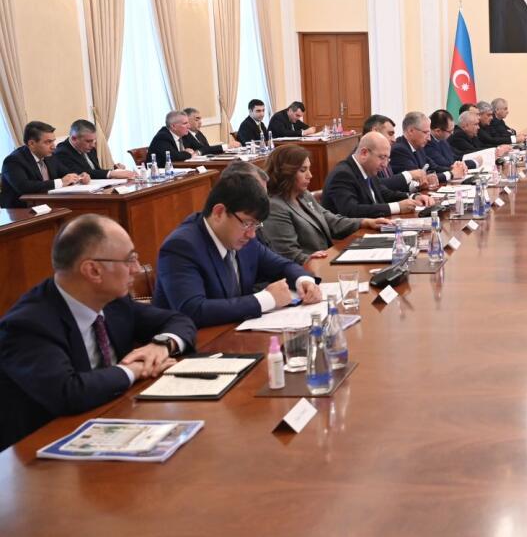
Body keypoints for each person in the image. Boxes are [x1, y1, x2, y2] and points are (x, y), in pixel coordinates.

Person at [0, 215, 196, 450]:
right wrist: (133, 370)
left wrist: (161, 345)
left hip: (116, 418)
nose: (137, 269)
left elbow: (178, 320)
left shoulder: (113, 301)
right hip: (48, 449)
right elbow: (68, 392)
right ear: (93, 270)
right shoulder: (28, 325)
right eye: (129, 259)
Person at [153, 173, 322, 328]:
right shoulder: (181, 247)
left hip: (233, 333)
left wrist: (304, 281)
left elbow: (282, 266)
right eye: (247, 223)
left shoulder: (244, 239)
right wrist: (267, 299)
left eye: (256, 225)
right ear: (219, 212)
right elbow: (193, 310)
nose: (252, 234)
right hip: (192, 344)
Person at [261, 145, 391, 265]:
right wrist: (310, 259)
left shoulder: (303, 195)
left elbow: (331, 221)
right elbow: (289, 256)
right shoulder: (275, 207)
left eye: (309, 169)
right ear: (285, 172)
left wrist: (365, 222)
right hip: (308, 272)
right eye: (303, 170)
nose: (310, 175)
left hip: (326, 260)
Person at [322, 132, 432, 218]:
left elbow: (385, 194)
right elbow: (351, 211)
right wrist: (397, 207)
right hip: (349, 237)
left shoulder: (368, 169)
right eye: (382, 157)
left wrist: (414, 197)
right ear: (364, 153)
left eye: (387, 159)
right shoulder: (342, 174)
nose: (385, 165)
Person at [1, 121, 89, 207]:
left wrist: (79, 177)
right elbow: (24, 187)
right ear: (32, 143)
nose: (53, 146)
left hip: (48, 204)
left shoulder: (50, 156)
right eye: (48, 142)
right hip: (20, 210)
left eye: (53, 141)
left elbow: (65, 172)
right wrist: (60, 182)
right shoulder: (13, 161)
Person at [52, 120, 135, 180]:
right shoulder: (62, 152)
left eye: (94, 140)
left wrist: (115, 170)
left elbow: (96, 171)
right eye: (88, 141)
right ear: (74, 138)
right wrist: (111, 173)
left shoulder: (89, 148)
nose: (92, 145)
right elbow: (81, 173)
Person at [424, 110, 476, 181]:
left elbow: (453, 157)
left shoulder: (442, 140)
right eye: (450, 131)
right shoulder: (427, 143)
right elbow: (445, 164)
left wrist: (461, 163)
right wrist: (473, 163)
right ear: (438, 131)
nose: (452, 133)